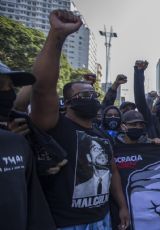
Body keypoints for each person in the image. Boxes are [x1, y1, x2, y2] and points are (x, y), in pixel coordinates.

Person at [30, 10, 129, 229]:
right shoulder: (55, 126)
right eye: (84, 95)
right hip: (65, 223)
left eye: (94, 95)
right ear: (68, 102)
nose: (92, 98)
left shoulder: (102, 135)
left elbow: (112, 171)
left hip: (102, 220)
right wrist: (57, 35)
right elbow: (42, 88)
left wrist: (122, 205)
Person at [0, 60, 56, 230]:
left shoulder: (16, 142)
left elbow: (35, 206)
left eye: (11, 87)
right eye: (0, 86)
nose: (8, 94)